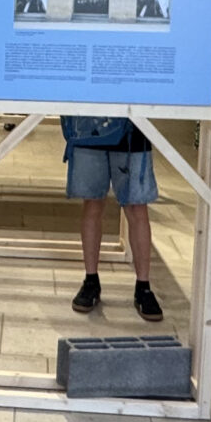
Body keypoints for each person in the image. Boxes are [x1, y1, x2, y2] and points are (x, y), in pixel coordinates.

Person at [64, 116, 163, 321]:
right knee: (92, 203)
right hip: (88, 127)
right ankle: (91, 279)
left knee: (136, 207)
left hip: (133, 128)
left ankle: (143, 286)